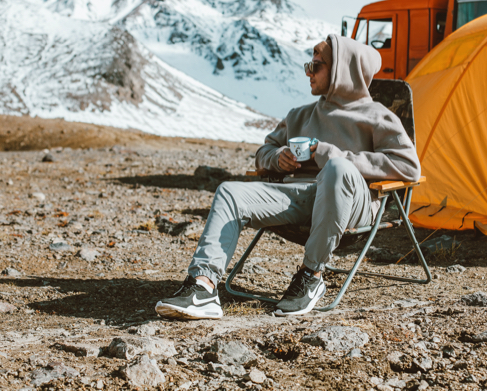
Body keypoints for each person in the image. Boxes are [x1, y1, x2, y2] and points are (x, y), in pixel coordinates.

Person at [155, 34, 421, 319]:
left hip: (351, 205)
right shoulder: (301, 115)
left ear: (342, 69)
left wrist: (330, 153)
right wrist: (277, 159)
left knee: (336, 168)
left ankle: (312, 275)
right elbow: (263, 152)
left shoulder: (377, 116)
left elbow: (408, 166)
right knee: (229, 191)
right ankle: (203, 286)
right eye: (308, 63)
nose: (308, 71)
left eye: (316, 65)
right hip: (299, 198)